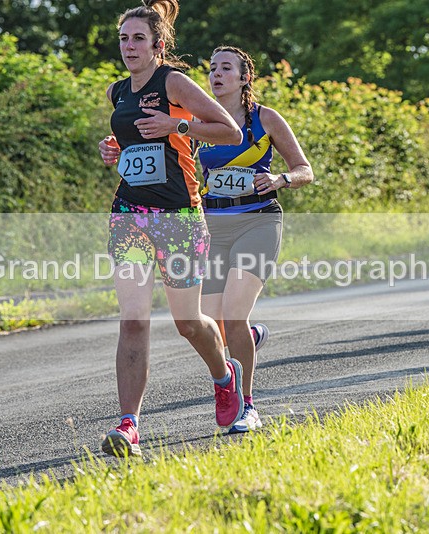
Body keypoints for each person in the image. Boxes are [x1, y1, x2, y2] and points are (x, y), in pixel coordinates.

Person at [97, 0, 245, 457]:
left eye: (138, 38)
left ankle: (224, 376)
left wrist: (175, 121)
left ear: (158, 45)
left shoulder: (174, 82)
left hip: (179, 217)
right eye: (124, 38)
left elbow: (229, 131)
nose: (129, 46)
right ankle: (129, 425)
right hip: (130, 216)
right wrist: (114, 150)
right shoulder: (117, 91)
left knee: (186, 322)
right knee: (133, 320)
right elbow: (135, 144)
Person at [198, 46, 313, 432]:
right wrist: (116, 147)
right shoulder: (198, 119)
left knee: (232, 313)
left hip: (259, 221)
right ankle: (247, 336)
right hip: (213, 225)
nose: (216, 75)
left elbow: (304, 169)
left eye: (226, 68)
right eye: (212, 68)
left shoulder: (265, 118)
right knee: (209, 324)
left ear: (245, 77)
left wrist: (281, 178)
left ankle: (247, 404)